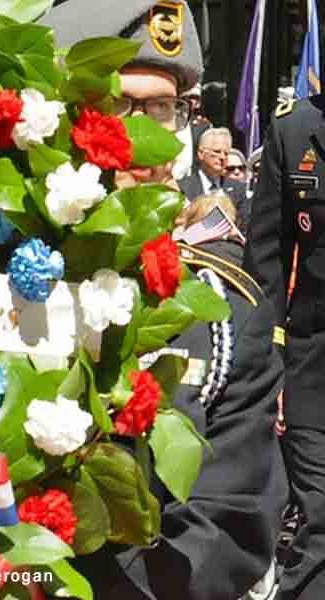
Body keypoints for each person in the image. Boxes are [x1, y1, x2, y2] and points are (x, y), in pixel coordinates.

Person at [40, 2, 287, 599]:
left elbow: (231, 517)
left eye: (163, 108)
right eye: (122, 104)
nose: (148, 134)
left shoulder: (223, 310)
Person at [243, 89, 325, 600]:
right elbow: (266, 263)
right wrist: (265, 363)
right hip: (314, 370)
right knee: (320, 522)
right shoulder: (296, 131)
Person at [179, 128, 251, 233]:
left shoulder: (238, 189)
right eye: (217, 152)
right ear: (200, 154)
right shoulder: (183, 187)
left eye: (226, 153)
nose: (222, 157)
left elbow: (244, 225)